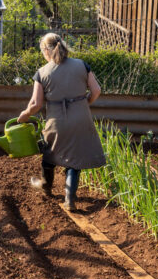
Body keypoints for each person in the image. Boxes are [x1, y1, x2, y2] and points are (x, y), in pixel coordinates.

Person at [16, 32, 104, 211]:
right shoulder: (81, 65)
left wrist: (24, 115)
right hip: (81, 118)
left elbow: (36, 103)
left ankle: (45, 186)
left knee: (50, 153)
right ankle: (69, 199)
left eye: (42, 50)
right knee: (75, 159)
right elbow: (96, 91)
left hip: (56, 120)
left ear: (47, 50)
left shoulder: (42, 73)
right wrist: (83, 104)